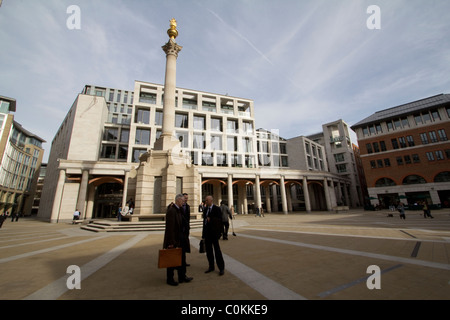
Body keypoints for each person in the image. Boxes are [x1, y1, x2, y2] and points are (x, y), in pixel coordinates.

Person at [163, 194, 193, 286]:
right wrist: (171, 242)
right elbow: (170, 228)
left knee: (182, 259)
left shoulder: (179, 210)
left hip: (181, 239)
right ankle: (170, 278)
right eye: (183, 200)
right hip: (174, 240)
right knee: (172, 260)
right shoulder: (172, 211)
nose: (184, 202)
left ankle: (182, 276)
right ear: (178, 200)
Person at [202, 195, 225, 275]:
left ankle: (221, 268)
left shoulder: (217, 209)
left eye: (207, 200)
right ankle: (211, 266)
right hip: (207, 234)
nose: (205, 202)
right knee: (209, 251)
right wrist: (203, 234)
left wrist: (211, 220)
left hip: (214, 234)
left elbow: (219, 221)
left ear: (211, 201)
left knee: (217, 251)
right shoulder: (205, 209)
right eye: (205, 200)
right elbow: (204, 223)